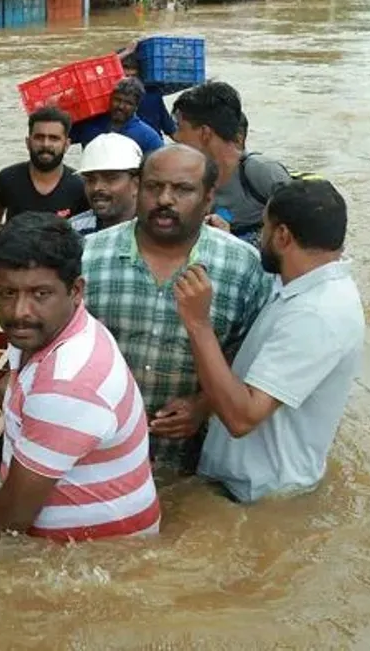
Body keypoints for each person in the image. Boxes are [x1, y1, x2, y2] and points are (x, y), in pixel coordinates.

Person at [81, 144, 272, 475]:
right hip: (97, 454)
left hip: (195, 466)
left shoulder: (243, 267)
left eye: (182, 189)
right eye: (155, 187)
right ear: (139, 188)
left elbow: (251, 358)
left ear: (209, 197)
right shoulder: (88, 257)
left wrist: (203, 405)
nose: (165, 199)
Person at [174, 180, 364, 502]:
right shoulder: (302, 285)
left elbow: (242, 417)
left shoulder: (317, 314)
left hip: (257, 497)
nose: (260, 236)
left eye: (264, 227)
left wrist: (198, 323)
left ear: (282, 236)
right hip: (247, 486)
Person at [0, 212, 160, 541]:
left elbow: (11, 518)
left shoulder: (68, 382)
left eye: (40, 294)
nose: (20, 311)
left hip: (103, 563)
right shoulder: (45, 332)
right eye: (7, 293)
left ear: (76, 290)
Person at [172, 81, 290, 245]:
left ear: (205, 133)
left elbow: (301, 237)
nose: (175, 137)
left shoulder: (261, 172)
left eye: (180, 127)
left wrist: (231, 241)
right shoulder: (187, 177)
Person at [0, 107, 89, 228]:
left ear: (66, 145)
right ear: (28, 143)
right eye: (39, 137)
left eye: (54, 138)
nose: (46, 144)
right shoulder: (6, 179)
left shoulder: (81, 186)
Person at [68, 132, 142, 236]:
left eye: (110, 178)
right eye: (90, 179)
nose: (97, 187)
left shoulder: (158, 230)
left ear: (136, 184)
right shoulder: (73, 230)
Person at [70, 77, 165, 156]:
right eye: (117, 100)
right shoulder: (89, 124)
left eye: (128, 103)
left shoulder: (148, 137)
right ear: (110, 99)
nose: (120, 106)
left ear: (136, 106)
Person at [120, 50, 177, 140]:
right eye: (126, 77)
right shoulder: (111, 98)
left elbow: (171, 129)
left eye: (133, 77)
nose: (130, 82)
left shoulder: (153, 94)